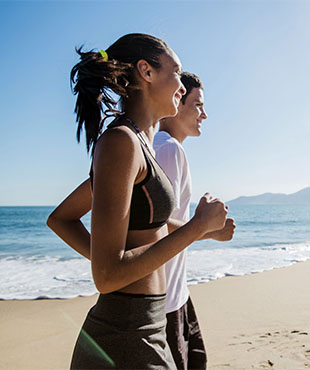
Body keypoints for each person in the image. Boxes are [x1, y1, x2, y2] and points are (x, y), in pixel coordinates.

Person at [47, 33, 229, 370]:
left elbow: (149, 225)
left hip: (149, 321)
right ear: (146, 71)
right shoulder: (121, 143)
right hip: (124, 334)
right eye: (176, 73)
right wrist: (196, 228)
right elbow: (107, 275)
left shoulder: (140, 143)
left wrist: (206, 231)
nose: (180, 85)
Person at [154, 72, 235, 370]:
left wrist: (206, 228)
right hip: (166, 302)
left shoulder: (168, 147)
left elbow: (166, 224)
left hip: (178, 295)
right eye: (197, 105)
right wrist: (208, 229)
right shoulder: (168, 149)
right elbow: (156, 228)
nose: (204, 114)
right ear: (177, 102)